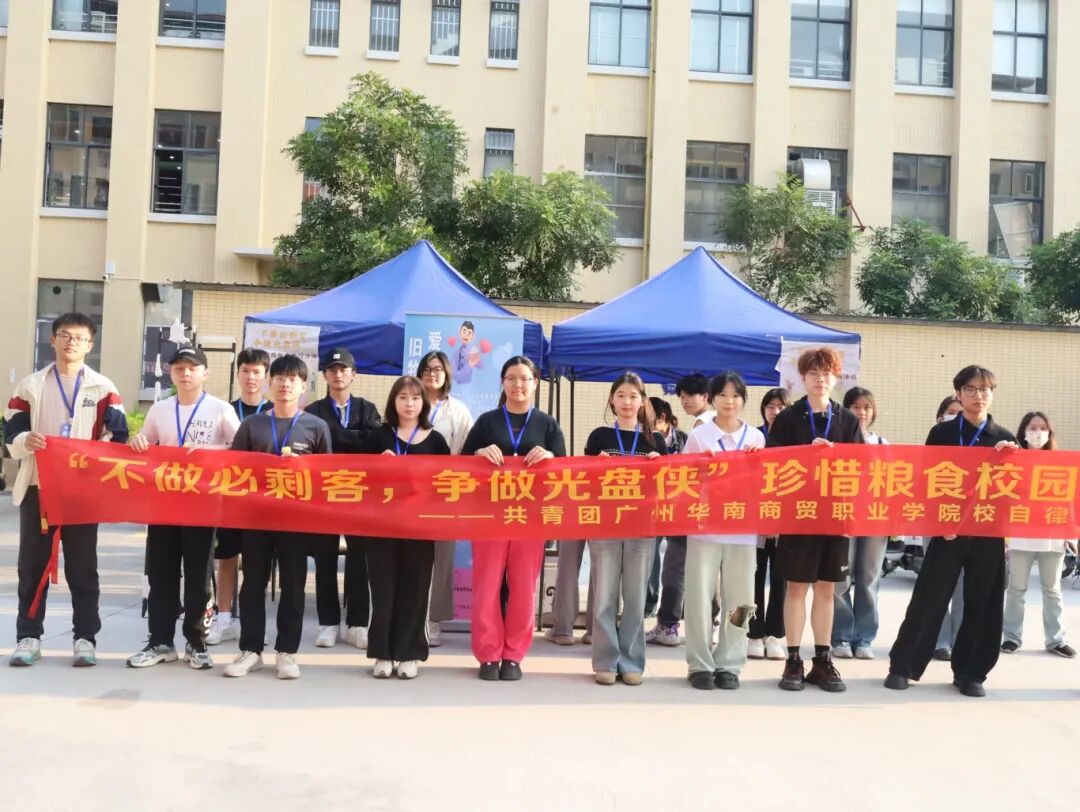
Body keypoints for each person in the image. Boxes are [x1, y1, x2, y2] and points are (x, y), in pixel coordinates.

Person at [886, 365, 1017, 698]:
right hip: (947, 530)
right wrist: (936, 522)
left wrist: (1012, 459)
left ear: (992, 394)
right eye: (970, 389)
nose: (978, 395)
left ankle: (971, 673)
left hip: (987, 532)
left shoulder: (1005, 439)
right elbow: (926, 482)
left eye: (985, 389)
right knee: (929, 597)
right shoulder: (942, 434)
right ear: (958, 393)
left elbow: (1013, 491)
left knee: (983, 603)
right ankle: (903, 667)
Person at [6, 313, 129, 668]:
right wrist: (25, 439)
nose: (71, 342)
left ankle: (85, 638)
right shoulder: (30, 386)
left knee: (82, 567)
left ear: (90, 345)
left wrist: (94, 453)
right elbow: (11, 430)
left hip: (81, 492)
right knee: (32, 565)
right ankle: (29, 636)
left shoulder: (104, 388)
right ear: (52, 340)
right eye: (64, 335)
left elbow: (117, 435)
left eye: (79, 337)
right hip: (38, 486)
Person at [126, 346, 240, 670]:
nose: (185, 373)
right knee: (161, 573)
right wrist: (137, 441)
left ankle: (197, 642)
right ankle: (161, 641)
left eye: (192, 367)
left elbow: (240, 449)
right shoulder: (160, 410)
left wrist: (208, 450)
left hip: (202, 504)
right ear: (171, 373)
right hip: (164, 503)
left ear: (205, 373)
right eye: (179, 368)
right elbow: (144, 443)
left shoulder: (220, 409)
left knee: (198, 575)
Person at [224, 354, 332, 680]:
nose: (286, 384)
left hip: (295, 521)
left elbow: (325, 477)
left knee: (294, 586)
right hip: (257, 518)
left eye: (293, 379)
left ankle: (287, 652)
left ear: (303, 386)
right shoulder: (252, 425)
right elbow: (235, 471)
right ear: (270, 383)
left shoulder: (316, 426)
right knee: (252, 585)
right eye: (280, 378)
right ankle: (251, 650)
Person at [462, 356, 566, 681]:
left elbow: (567, 471)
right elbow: (460, 466)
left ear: (535, 383)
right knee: (486, 586)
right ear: (503, 383)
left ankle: (513, 655)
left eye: (524, 378)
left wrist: (551, 457)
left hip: (529, 518)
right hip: (489, 516)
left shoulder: (547, 425)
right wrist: (478, 454)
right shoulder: (486, 422)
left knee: (523, 588)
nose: (518, 385)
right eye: (511, 378)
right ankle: (488, 654)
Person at [767, 348, 863, 692]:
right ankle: (793, 658)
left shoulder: (848, 420)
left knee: (826, 589)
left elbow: (861, 468)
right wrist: (808, 455)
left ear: (836, 378)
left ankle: (822, 659)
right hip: (799, 514)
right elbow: (773, 465)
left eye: (826, 374)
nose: (820, 380)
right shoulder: (789, 418)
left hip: (835, 515)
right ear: (802, 378)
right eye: (813, 374)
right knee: (796, 588)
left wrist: (836, 458)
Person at [362, 376, 451, 679]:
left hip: (419, 529)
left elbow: (446, 484)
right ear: (393, 401)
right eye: (403, 397)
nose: (409, 403)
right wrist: (378, 466)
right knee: (383, 590)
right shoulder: (377, 437)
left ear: (424, 402)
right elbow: (358, 480)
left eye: (415, 397)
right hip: (381, 528)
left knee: (415, 590)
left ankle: (409, 653)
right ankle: (382, 653)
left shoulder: (436, 440)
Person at [683, 371, 765, 691]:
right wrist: (700, 468)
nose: (729, 401)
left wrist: (758, 465)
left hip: (743, 530)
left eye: (736, 395)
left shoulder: (756, 437)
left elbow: (765, 482)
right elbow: (683, 480)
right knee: (699, 597)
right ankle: (699, 663)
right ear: (712, 398)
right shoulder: (700, 436)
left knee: (741, 601)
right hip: (704, 527)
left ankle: (730, 662)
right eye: (723, 395)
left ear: (743, 399)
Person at [584, 372, 665, 685]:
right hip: (605, 525)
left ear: (642, 401)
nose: (627, 402)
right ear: (611, 400)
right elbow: (583, 484)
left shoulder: (656, 441)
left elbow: (668, 488)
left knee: (635, 598)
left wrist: (661, 466)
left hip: (642, 528)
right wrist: (595, 467)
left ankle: (631, 661)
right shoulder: (599, 437)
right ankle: (605, 661)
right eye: (621, 395)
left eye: (633, 396)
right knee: (604, 597)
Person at [304, 347, 382, 649]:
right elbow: (313, 446)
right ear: (324, 375)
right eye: (332, 369)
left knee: (360, 559)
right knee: (324, 558)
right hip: (323, 496)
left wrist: (334, 435)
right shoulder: (313, 411)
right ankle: (328, 623)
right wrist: (354, 437)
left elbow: (374, 443)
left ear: (354, 374)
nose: (338, 374)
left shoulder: (367, 408)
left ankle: (358, 623)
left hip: (359, 495)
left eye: (343, 369)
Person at [207, 347, 271, 647]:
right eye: (245, 371)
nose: (251, 377)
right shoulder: (225, 409)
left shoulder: (275, 411)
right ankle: (224, 619)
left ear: (266, 376)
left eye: (257, 372)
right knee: (227, 559)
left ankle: (253, 623)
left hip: (264, 500)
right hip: (230, 496)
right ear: (238, 374)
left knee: (258, 564)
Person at [1001, 411, 1076, 659]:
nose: (1038, 432)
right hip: (1021, 533)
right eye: (1033, 428)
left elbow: (1069, 500)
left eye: (1043, 428)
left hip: (1052, 534)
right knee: (1016, 589)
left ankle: (1056, 639)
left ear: (1050, 433)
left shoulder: (1060, 462)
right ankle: (1011, 637)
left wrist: (1072, 534)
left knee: (1052, 589)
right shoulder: (1014, 460)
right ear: (1023, 432)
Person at [647, 373, 715, 647]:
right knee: (705, 570)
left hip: (691, 508)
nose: (685, 401)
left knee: (675, 568)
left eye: (690, 396)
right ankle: (708, 625)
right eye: (682, 396)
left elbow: (691, 470)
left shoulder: (702, 426)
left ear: (705, 397)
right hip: (706, 510)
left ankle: (669, 625)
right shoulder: (717, 424)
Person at [417, 350, 474, 646]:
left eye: (438, 369)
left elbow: (468, 450)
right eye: (427, 369)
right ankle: (413, 616)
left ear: (447, 374)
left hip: (445, 491)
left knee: (442, 557)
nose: (432, 374)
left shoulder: (458, 410)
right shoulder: (410, 402)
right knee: (412, 554)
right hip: (412, 492)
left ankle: (435, 618)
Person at [831, 386, 889, 660]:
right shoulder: (838, 444)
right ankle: (841, 636)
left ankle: (864, 638)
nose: (862, 412)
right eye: (855, 407)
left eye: (866, 407)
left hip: (876, 520)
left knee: (869, 579)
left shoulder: (883, 444)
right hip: (844, 519)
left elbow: (893, 485)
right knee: (840, 580)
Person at [748, 388, 790, 661]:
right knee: (752, 577)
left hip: (786, 519)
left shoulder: (795, 437)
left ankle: (775, 635)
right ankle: (752, 633)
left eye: (781, 406)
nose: (775, 411)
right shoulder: (754, 437)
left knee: (780, 579)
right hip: (755, 518)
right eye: (770, 406)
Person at [644, 397, 685, 617]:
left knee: (677, 561)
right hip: (654, 505)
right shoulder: (646, 440)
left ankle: (676, 607)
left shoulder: (685, 439)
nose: (644, 425)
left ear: (662, 418)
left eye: (648, 420)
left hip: (680, 507)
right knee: (650, 556)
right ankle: (649, 603)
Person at [931, 395, 965, 661]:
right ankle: (940, 640)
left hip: (967, 524)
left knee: (963, 587)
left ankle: (959, 640)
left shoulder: (979, 443)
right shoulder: (937, 438)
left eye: (959, 412)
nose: (956, 416)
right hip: (936, 522)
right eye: (951, 412)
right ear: (940, 417)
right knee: (938, 586)